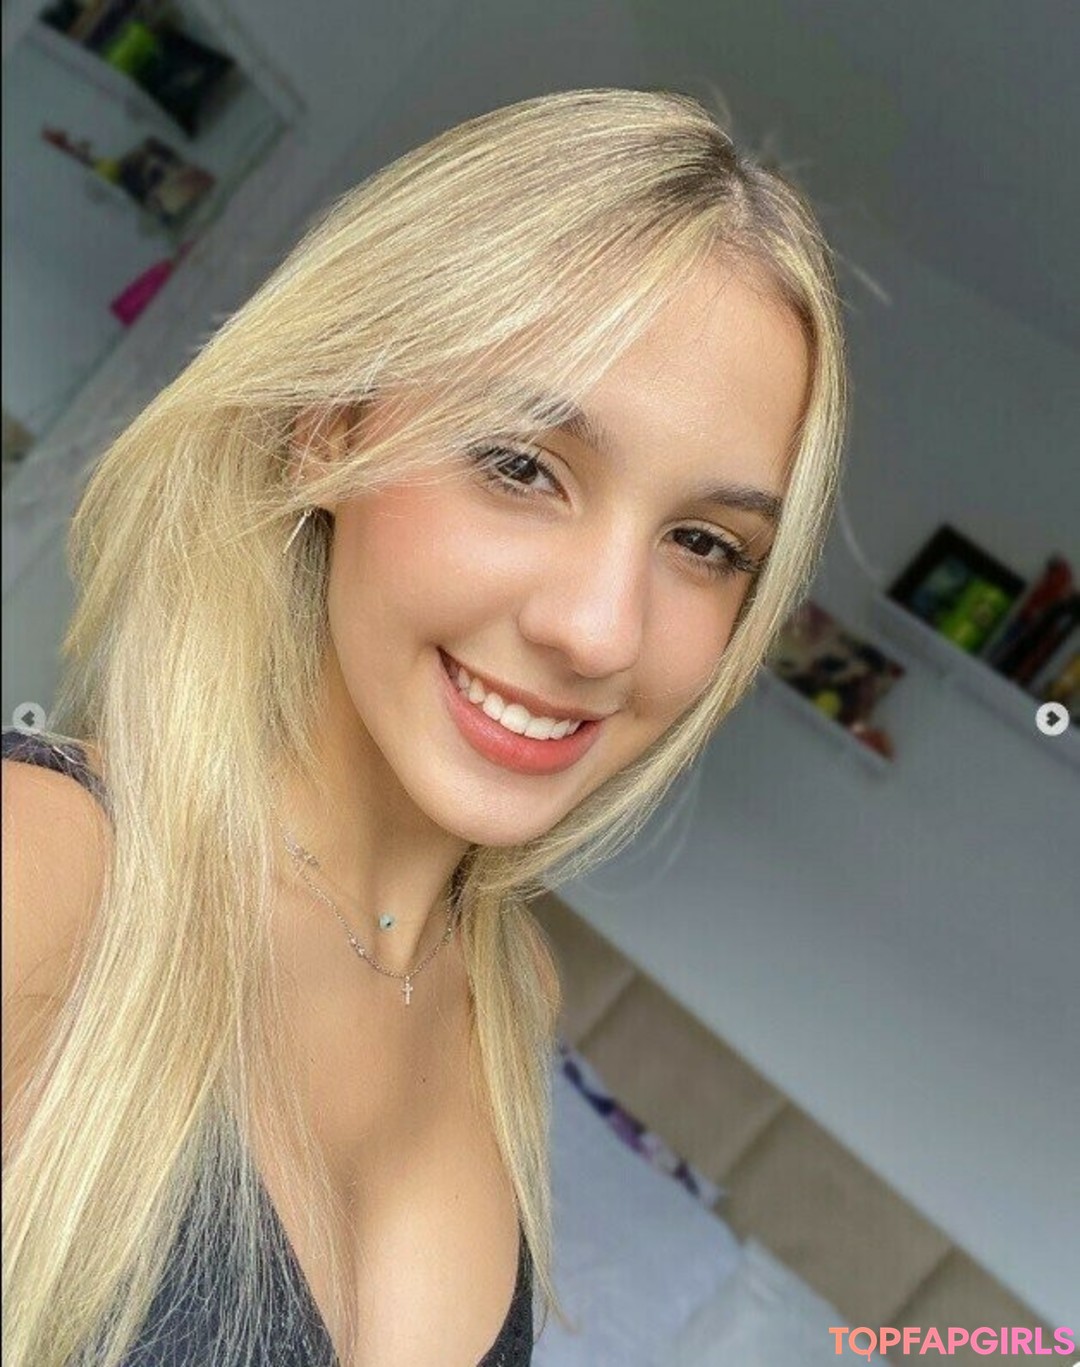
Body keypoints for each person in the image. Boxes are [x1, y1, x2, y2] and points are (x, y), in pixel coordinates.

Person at [1, 87, 847, 1367]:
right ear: (328, 426)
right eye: (521, 464)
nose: (601, 630)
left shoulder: (506, 993)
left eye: (704, 543)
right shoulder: (49, 876)